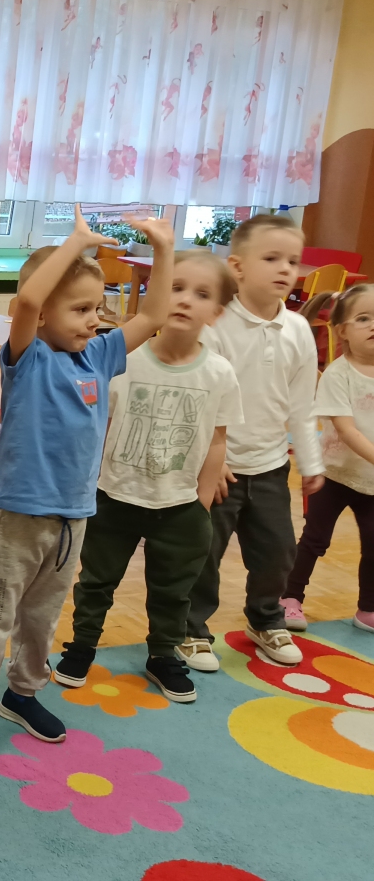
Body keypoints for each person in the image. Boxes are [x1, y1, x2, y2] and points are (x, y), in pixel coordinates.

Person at [0, 206, 174, 755]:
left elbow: (153, 315)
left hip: (73, 516)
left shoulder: (99, 355)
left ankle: (22, 693)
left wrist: (164, 250)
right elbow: (27, 300)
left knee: (42, 618)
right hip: (19, 516)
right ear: (46, 314)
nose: (95, 319)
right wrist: (75, 243)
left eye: (98, 307)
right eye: (80, 309)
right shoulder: (26, 359)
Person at [54, 251, 242, 703]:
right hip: (114, 496)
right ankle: (81, 647)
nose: (185, 300)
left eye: (201, 294)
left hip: (179, 505)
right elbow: (97, 426)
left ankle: (163, 654)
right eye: (175, 288)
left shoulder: (219, 373)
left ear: (216, 312)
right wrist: (86, 486)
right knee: (96, 581)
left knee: (173, 590)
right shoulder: (123, 360)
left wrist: (201, 503)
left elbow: (217, 440)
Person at [181, 214, 324, 671]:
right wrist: (211, 459)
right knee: (203, 553)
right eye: (272, 258)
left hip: (270, 466)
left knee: (277, 552)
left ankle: (265, 620)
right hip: (218, 468)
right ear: (238, 267)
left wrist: (311, 462)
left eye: (293, 261)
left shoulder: (298, 330)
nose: (285, 269)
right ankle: (189, 629)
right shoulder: (217, 324)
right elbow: (201, 396)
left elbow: (302, 404)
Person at [282, 283, 374, 633]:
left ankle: (368, 608)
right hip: (333, 475)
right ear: (342, 331)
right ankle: (290, 598)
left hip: (371, 481)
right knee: (315, 539)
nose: (373, 325)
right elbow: (347, 430)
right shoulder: (338, 374)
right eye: (363, 318)